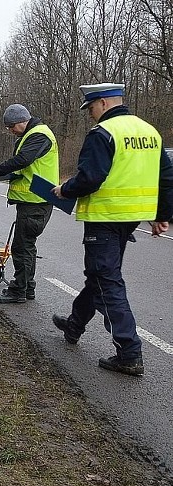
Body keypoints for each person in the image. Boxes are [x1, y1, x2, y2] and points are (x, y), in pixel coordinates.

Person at [52, 82, 173, 376]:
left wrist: (64, 190)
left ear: (104, 103)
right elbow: (166, 178)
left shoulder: (102, 133)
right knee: (99, 277)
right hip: (129, 219)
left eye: (91, 108)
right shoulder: (149, 132)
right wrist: (162, 215)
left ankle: (129, 352)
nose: (91, 114)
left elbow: (90, 178)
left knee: (107, 282)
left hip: (105, 218)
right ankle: (75, 324)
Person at [0, 104, 59, 304]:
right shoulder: (33, 135)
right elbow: (28, 167)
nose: (11, 132)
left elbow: (24, 160)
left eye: (11, 127)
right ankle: (27, 288)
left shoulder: (39, 135)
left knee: (21, 248)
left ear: (21, 121)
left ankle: (18, 290)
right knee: (27, 246)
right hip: (36, 199)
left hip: (36, 201)